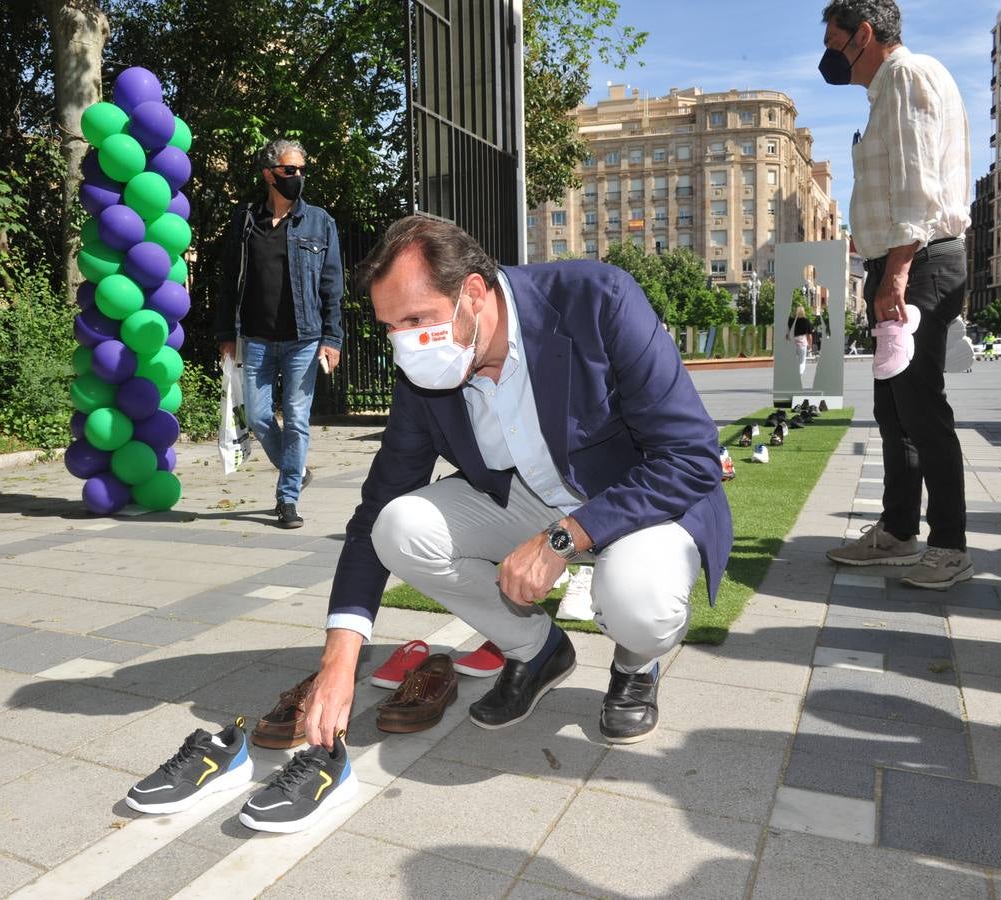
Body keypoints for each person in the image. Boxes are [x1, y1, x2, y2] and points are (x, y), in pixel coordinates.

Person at [302, 216, 732, 749]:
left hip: (639, 497)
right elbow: (376, 508)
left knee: (638, 602)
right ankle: (536, 650)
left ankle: (635, 664)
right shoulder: (425, 372)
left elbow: (691, 456)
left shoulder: (599, 299)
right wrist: (340, 656)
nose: (406, 345)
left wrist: (564, 538)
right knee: (398, 526)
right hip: (528, 497)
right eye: (391, 327)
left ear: (474, 294)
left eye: (417, 318)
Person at [818, 0, 973, 589]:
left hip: (919, 261)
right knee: (896, 409)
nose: (831, 58)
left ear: (864, 34)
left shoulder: (906, 76)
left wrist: (897, 275)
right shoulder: (888, 90)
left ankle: (951, 546)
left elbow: (915, 184)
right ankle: (899, 531)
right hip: (904, 260)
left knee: (921, 408)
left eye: (836, 43)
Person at [214, 139, 344, 529]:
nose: (298, 177)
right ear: (269, 174)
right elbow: (228, 281)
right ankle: (297, 469)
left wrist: (332, 339)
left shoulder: (320, 221)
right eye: (290, 171)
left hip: (304, 338)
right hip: (254, 338)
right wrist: (225, 333)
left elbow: (332, 286)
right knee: (257, 416)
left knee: (298, 420)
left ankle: (287, 498)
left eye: (302, 170)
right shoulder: (245, 221)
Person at [788, 305, 814, 376]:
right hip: (802, 343)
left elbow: (788, 331)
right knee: (802, 361)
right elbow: (809, 335)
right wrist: (810, 345)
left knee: (793, 360)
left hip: (792, 343)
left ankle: (792, 374)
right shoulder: (806, 321)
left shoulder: (791, 321)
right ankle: (799, 374)